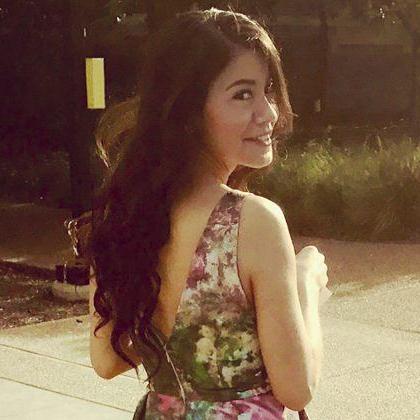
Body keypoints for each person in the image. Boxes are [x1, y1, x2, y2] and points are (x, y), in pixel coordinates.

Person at [78, 7, 330, 420]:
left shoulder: (126, 216)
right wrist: (306, 284)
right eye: (243, 94)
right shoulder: (253, 222)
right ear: (187, 112)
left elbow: (107, 360)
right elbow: (296, 388)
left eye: (267, 91)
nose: (269, 113)